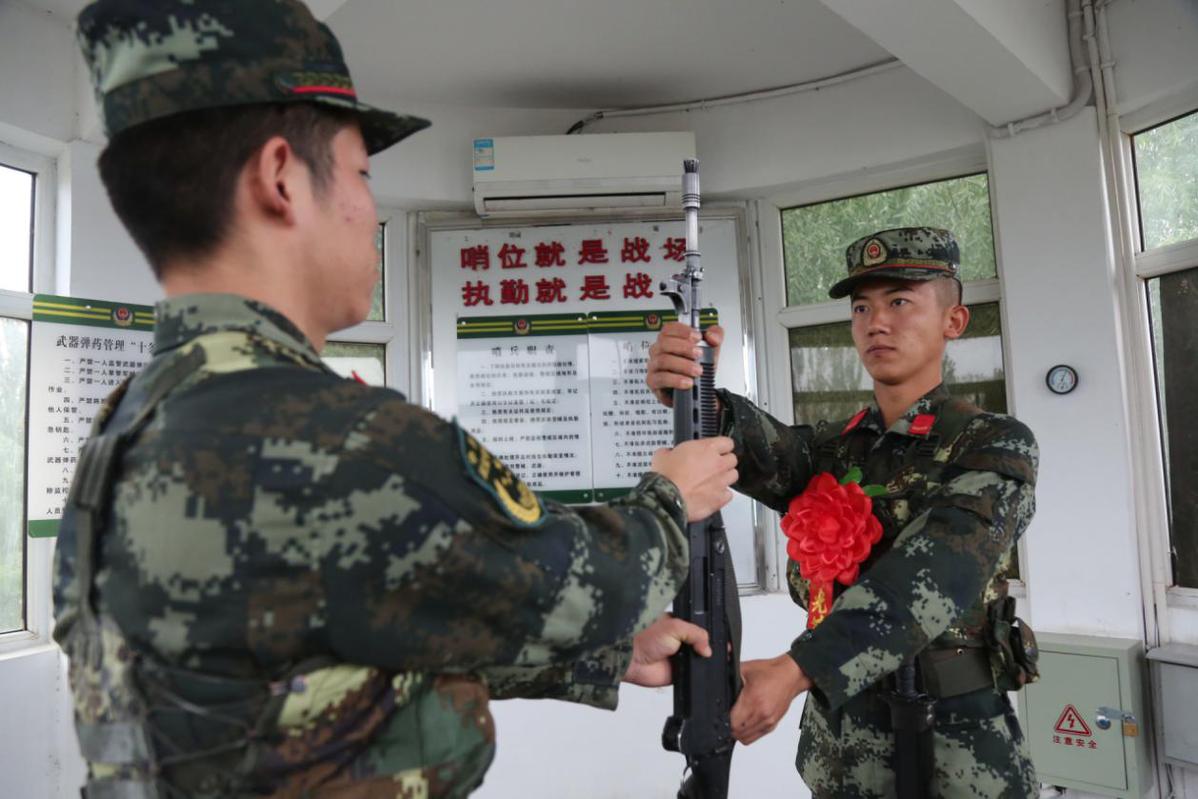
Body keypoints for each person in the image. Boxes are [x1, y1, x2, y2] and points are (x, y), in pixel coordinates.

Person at [54, 1, 739, 797]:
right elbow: (590, 586)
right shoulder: (339, 438)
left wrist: (602, 657)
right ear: (281, 178)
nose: (370, 210)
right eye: (362, 175)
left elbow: (297, 653)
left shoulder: (129, 425)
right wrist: (669, 498)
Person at [647, 227, 1040, 798]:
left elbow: (931, 578)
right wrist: (694, 391)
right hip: (842, 742)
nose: (876, 322)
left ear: (954, 322)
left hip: (955, 746)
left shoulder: (994, 444)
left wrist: (793, 671)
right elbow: (765, 451)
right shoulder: (837, 448)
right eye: (862, 307)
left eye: (900, 302)